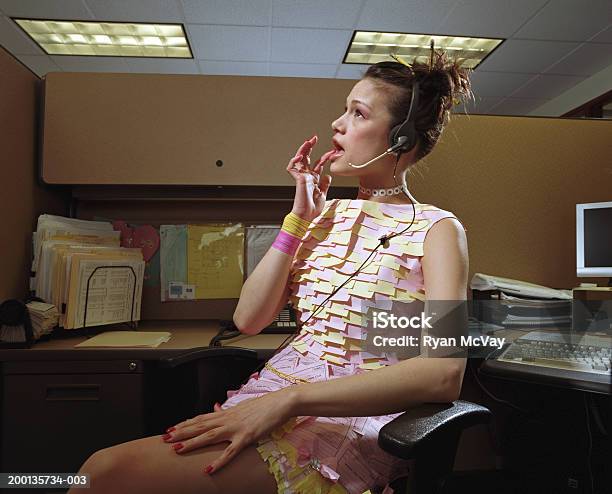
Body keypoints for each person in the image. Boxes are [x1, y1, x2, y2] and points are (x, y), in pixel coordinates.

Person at [71, 50, 472, 494]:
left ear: (400, 140)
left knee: (101, 474)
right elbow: (250, 319)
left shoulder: (439, 231)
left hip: (344, 427)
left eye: (357, 114)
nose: (337, 125)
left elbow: (443, 373)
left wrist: (291, 400)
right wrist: (297, 220)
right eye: (344, 110)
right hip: (268, 400)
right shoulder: (322, 215)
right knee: (100, 473)